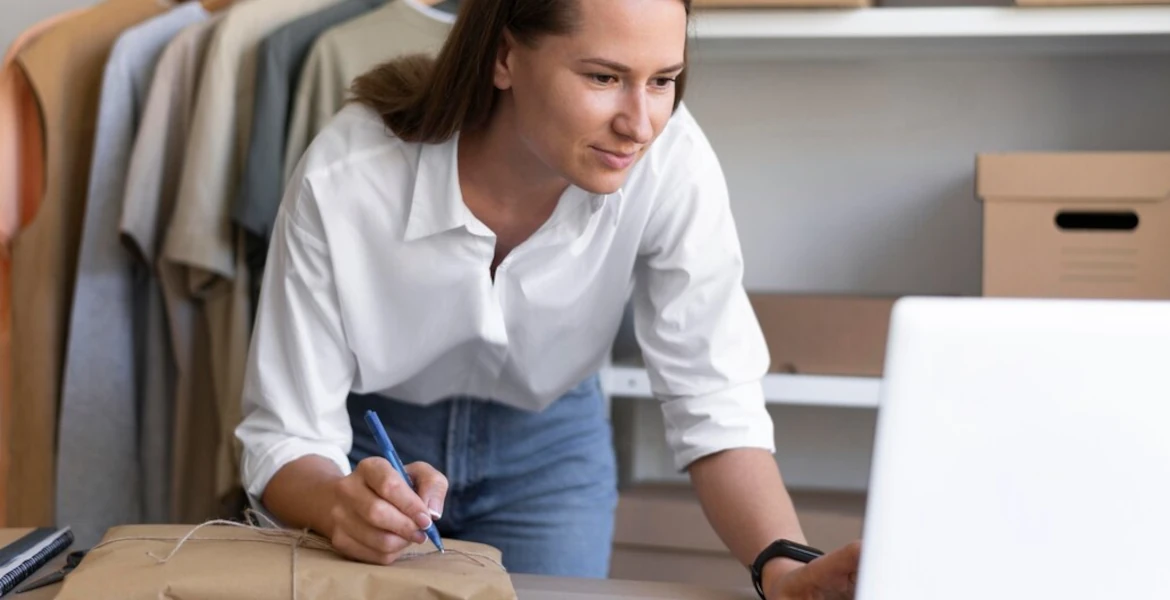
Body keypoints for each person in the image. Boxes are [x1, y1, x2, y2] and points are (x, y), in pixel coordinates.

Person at [234, 0, 862, 597]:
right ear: (505, 57)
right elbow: (286, 434)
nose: (639, 124)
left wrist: (783, 567)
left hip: (551, 449)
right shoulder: (348, 176)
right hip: (373, 443)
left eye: (664, 80)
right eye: (603, 76)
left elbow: (714, 395)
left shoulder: (672, 162)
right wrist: (340, 501)